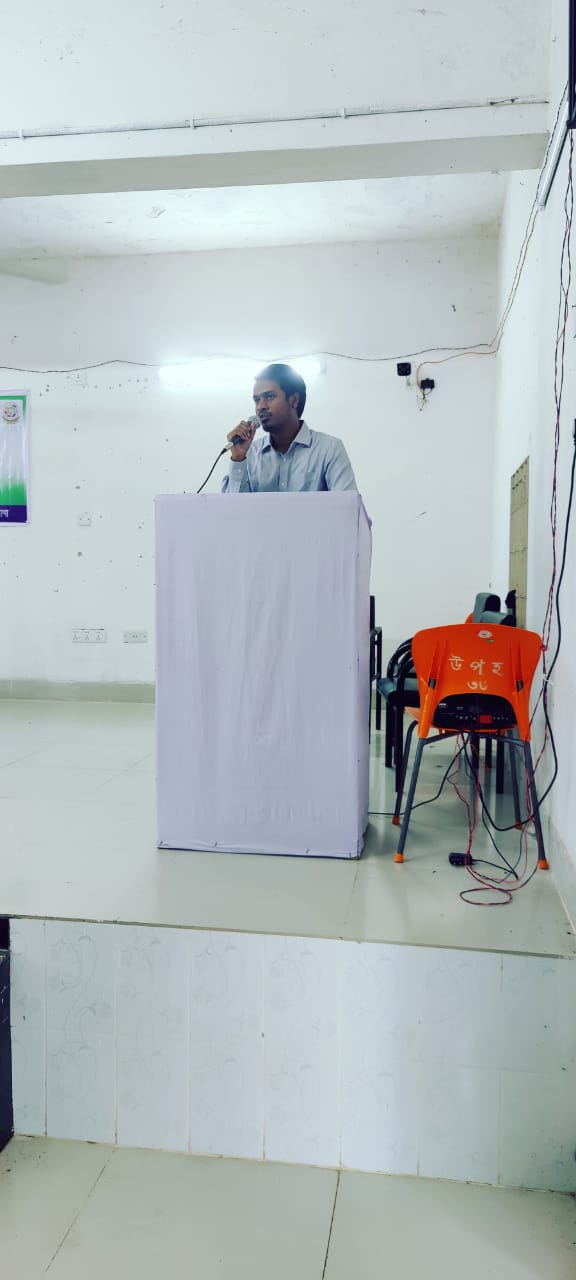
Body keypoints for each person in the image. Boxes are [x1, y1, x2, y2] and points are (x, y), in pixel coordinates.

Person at [221, 363, 357, 493]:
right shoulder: (250, 454)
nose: (260, 406)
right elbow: (233, 507)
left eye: (270, 396)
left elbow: (346, 505)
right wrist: (238, 458)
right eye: (257, 400)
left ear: (294, 400)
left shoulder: (329, 449)